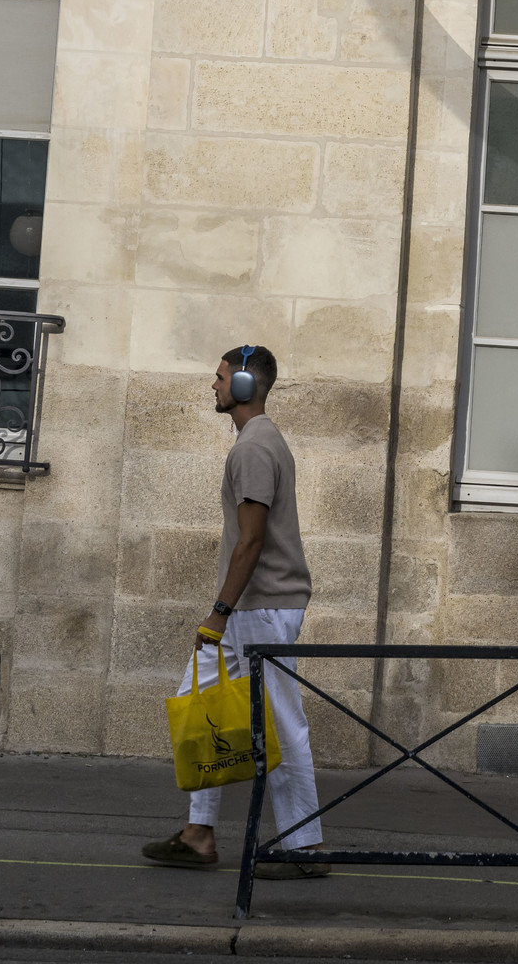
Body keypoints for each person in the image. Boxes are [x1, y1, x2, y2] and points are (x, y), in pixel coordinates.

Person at [141, 344, 329, 878]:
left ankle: (305, 847)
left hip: (259, 608)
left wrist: (220, 611)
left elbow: (251, 540)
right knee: (194, 700)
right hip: (250, 608)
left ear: (245, 385)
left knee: (282, 723)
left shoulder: (254, 448)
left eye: (221, 377)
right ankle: (199, 833)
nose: (214, 384)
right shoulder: (257, 442)